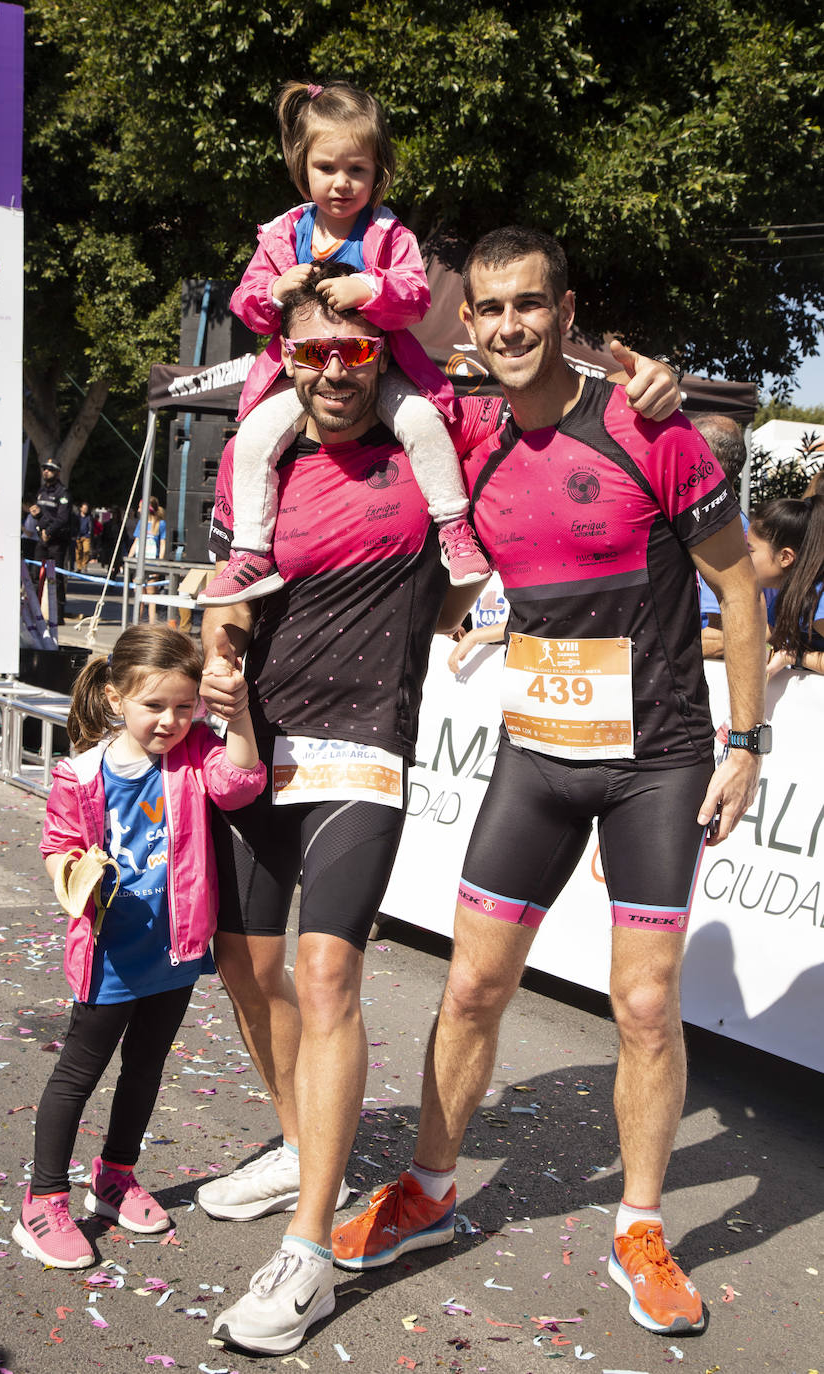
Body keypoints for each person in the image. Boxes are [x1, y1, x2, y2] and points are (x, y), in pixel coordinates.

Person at [196, 261, 682, 1355]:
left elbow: (541, 384)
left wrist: (652, 382)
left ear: (383, 354)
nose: (333, 370)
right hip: (258, 747)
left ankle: (310, 1252)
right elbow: (221, 590)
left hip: (364, 749)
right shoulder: (254, 453)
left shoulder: (438, 439)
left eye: (354, 350)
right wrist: (216, 659)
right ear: (287, 358)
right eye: (314, 350)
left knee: (326, 973)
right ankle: (293, 1144)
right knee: (249, 968)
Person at [331, 227, 768, 1341]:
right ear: (468, 324)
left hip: (655, 764)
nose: (511, 326)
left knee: (641, 1006)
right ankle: (427, 1190)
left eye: (532, 306)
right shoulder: (464, 436)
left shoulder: (645, 424)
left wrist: (747, 743)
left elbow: (742, 589)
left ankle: (638, 1224)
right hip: (534, 756)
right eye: (491, 310)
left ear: (566, 313)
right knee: (471, 989)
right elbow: (339, 364)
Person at [11, 625, 265, 1269]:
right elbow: (56, 847)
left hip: (176, 950)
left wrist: (233, 718)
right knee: (79, 1073)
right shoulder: (82, 773)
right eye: (155, 706)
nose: (172, 721)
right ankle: (42, 1201)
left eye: (185, 706)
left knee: (146, 1067)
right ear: (118, 698)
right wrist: (75, 875)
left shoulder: (197, 751)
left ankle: (114, 1177)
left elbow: (239, 785)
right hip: (110, 954)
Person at [196, 79, 490, 607]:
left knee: (423, 421)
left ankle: (453, 527)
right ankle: (250, 555)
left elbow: (415, 296)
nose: (341, 182)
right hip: (304, 373)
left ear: (378, 173)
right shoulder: (282, 235)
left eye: (357, 169)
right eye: (326, 168)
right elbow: (245, 303)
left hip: (379, 370)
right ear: (301, 166)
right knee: (254, 437)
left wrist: (370, 288)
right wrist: (273, 290)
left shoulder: (389, 234)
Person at [691, 414, 749, 659]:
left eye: (683, 450)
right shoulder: (701, 521)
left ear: (705, 461)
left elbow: (721, 634)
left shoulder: (728, 531)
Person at [747, 494, 824, 676]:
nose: (743, 557)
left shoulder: (819, 601)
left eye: (750, 549)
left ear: (785, 557)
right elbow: (753, 642)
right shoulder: (786, 598)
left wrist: (794, 657)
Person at [31, 459, 72, 623]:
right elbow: (45, 516)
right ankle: (33, 611)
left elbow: (62, 518)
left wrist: (49, 531)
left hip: (57, 541)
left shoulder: (63, 493)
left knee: (56, 577)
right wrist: (38, 516)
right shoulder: (41, 491)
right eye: (45, 469)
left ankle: (58, 614)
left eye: (50, 469)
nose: (46, 471)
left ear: (57, 473)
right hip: (42, 539)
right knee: (35, 575)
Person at [128, 497, 166, 624]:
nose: (138, 510)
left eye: (140, 507)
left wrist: (159, 564)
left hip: (152, 563)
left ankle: (151, 625)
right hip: (140, 564)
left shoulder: (160, 524)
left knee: (151, 598)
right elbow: (136, 542)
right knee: (138, 597)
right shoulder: (141, 523)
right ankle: (135, 623)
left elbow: (163, 544)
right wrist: (129, 558)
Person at [74, 501, 93, 572]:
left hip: (86, 536)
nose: (85, 510)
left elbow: (91, 527)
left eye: (86, 508)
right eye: (84, 508)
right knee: (78, 552)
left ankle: (84, 564)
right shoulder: (77, 517)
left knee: (86, 551)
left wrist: (90, 534)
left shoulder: (89, 517)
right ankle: (79, 567)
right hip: (78, 536)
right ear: (81, 508)